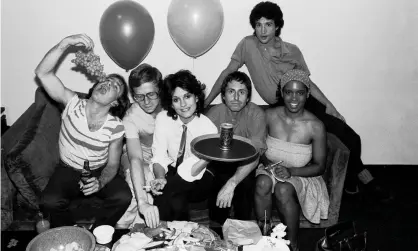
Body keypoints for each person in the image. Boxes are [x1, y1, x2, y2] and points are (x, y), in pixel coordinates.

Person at [205, 1, 392, 201]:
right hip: (280, 104)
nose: (263, 30)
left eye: (268, 24)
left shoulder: (291, 50)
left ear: (277, 26)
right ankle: (363, 183)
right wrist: (207, 102)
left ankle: (364, 180)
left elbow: (307, 83)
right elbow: (227, 73)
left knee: (351, 138)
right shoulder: (247, 45)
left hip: (303, 99)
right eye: (258, 25)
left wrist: (330, 105)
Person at [37, 34, 132, 227]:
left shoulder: (116, 126)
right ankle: (73, 232)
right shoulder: (71, 103)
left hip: (97, 170)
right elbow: (43, 73)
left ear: (115, 102)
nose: (107, 83)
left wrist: (100, 182)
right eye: (105, 80)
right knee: (49, 201)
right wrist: (64, 44)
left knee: (123, 197)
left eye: (115, 86)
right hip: (68, 168)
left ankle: (97, 232)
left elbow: (113, 165)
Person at [255, 69, 329, 251]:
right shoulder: (269, 115)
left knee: (283, 188)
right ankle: (266, 239)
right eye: (289, 92)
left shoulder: (316, 126)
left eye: (300, 93)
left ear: (308, 94)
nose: (294, 98)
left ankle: (292, 244)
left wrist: (291, 172)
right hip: (269, 167)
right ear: (282, 93)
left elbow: (319, 166)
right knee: (262, 183)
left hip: (302, 173)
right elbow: (258, 147)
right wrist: (266, 163)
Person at [150, 70, 218, 221]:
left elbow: (191, 170)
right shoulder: (163, 119)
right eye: (176, 99)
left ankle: (161, 233)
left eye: (187, 96)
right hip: (174, 173)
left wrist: (166, 185)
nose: (183, 104)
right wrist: (160, 177)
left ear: (196, 97)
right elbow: (159, 156)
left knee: (167, 193)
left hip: (201, 175)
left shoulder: (209, 129)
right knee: (176, 200)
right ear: (171, 103)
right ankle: (178, 239)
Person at [205, 71, 267, 224]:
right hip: (219, 163)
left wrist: (232, 183)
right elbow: (205, 150)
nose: (236, 97)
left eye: (242, 92)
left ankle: (242, 229)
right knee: (217, 180)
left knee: (245, 185)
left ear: (247, 98)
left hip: (246, 163)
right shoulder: (214, 114)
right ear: (224, 96)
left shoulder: (256, 114)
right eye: (231, 92)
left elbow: (256, 154)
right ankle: (217, 229)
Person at [116, 64, 163, 229]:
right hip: (134, 157)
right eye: (139, 96)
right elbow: (135, 157)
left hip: (160, 160)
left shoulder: (172, 106)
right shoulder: (130, 117)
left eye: (151, 94)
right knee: (144, 179)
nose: (146, 101)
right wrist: (143, 201)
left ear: (160, 90)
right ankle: (122, 230)